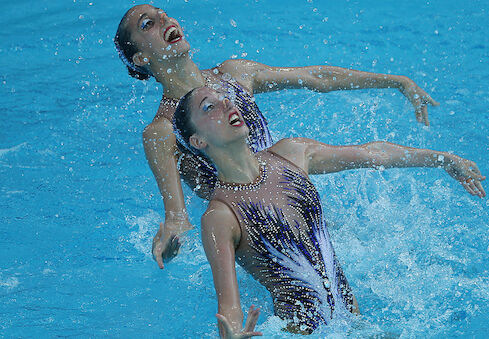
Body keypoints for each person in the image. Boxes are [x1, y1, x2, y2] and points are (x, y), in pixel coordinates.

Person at [113, 4, 441, 269]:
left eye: (162, 13)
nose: (165, 19)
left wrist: (396, 81)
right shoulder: (163, 131)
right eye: (148, 25)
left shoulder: (234, 74)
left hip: (293, 199)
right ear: (142, 59)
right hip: (262, 238)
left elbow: (316, 76)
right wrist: (173, 237)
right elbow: (177, 216)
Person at [172, 86, 485, 337]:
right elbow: (228, 306)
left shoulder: (291, 153)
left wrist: (442, 159)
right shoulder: (220, 215)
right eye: (209, 107)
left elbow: (372, 153)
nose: (227, 104)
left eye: (224, 98)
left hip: (356, 326)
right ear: (197, 140)